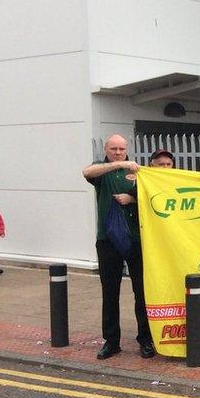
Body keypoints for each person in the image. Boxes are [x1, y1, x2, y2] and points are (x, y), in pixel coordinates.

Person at [82, 134, 154, 360]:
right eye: (113, 148)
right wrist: (120, 164)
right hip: (108, 239)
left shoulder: (139, 172)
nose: (118, 151)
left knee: (142, 292)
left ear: (127, 148)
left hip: (136, 239)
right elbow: (86, 173)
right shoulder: (101, 169)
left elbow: (154, 198)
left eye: (122, 149)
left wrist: (131, 199)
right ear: (106, 149)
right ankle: (111, 341)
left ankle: (146, 339)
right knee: (109, 292)